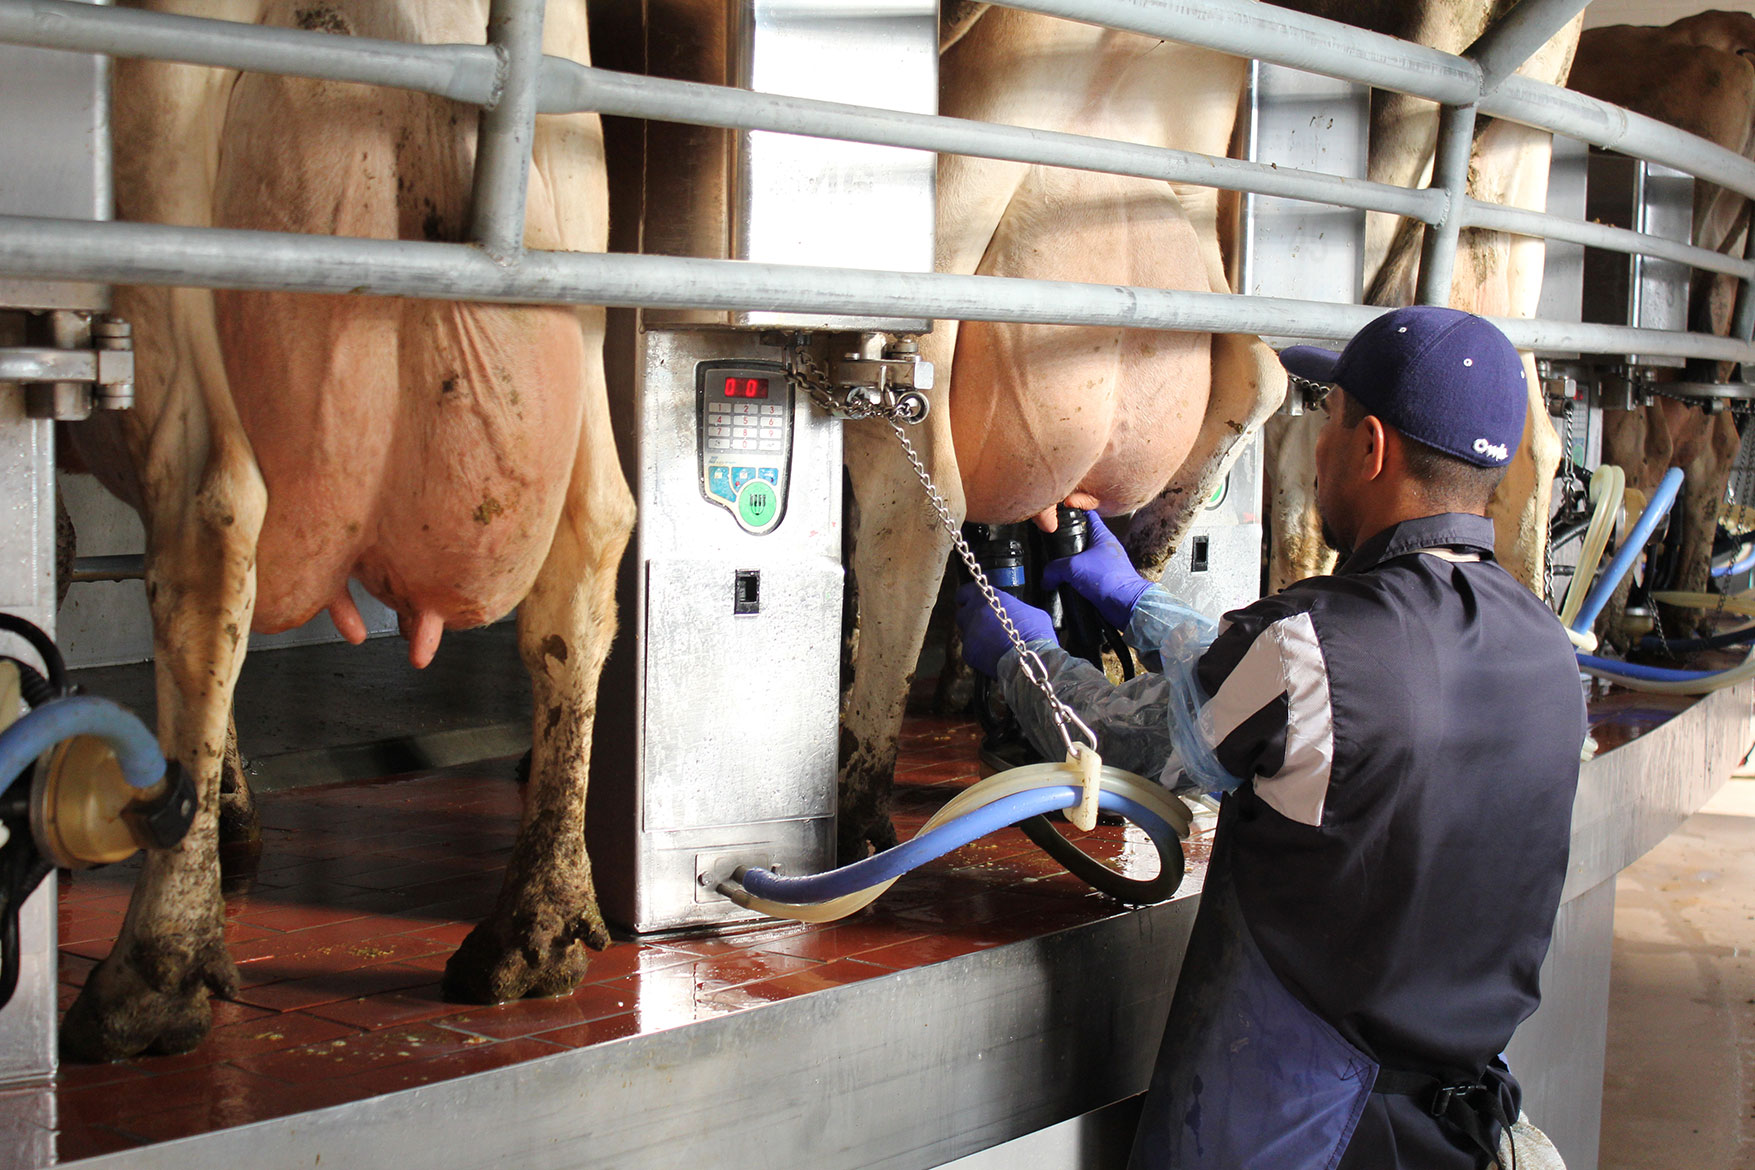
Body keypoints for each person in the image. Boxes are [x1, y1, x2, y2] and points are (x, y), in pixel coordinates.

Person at [955, 306, 1587, 1170]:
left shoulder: (1309, 644)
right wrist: (1134, 600)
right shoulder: (1544, 647)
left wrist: (1018, 651)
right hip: (1452, 1126)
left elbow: (1127, 739)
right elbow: (1282, 689)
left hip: (1294, 1124)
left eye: (1324, 421)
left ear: (1369, 448)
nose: (1314, 450)